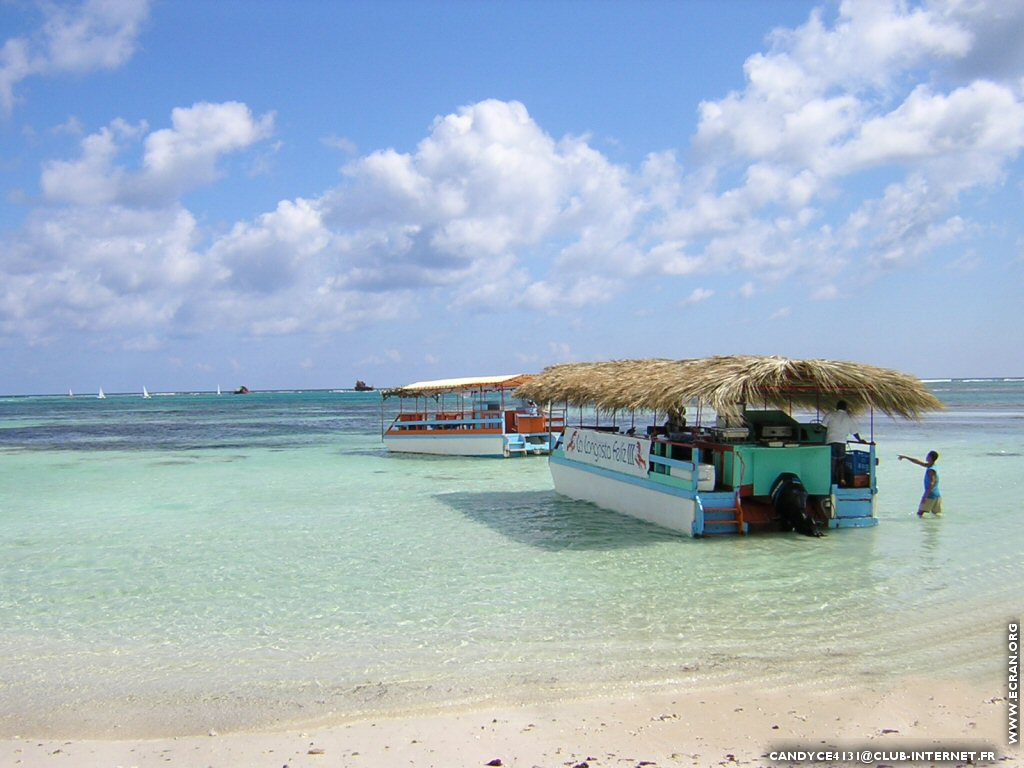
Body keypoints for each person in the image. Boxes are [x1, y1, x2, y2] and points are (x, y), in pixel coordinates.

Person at [823, 400, 865, 485]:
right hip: (842, 442)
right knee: (841, 461)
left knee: (833, 461)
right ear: (846, 408)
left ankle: (832, 480)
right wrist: (860, 440)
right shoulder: (848, 418)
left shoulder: (830, 414)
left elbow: (822, 426)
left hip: (831, 440)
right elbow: (854, 432)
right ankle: (842, 479)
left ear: (837, 407)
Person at [898, 450, 942, 516]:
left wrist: (925, 496)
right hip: (937, 495)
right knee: (936, 515)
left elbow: (931, 483)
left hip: (930, 495)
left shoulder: (931, 470)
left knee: (920, 514)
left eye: (928, 455)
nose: (926, 456)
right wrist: (905, 457)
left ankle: (924, 526)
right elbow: (918, 462)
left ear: (930, 457)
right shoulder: (932, 466)